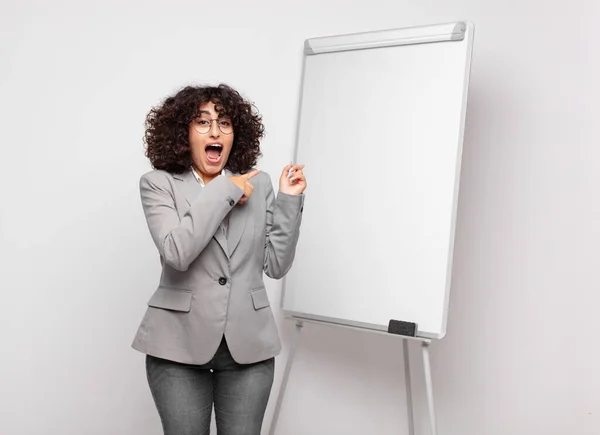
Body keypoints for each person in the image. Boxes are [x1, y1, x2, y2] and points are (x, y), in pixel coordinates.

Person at [131, 83, 306, 435]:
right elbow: (176, 252)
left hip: (249, 348)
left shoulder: (261, 185)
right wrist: (225, 190)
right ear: (184, 133)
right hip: (177, 347)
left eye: (224, 123)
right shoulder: (158, 183)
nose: (215, 131)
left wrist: (288, 202)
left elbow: (276, 265)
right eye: (202, 122)